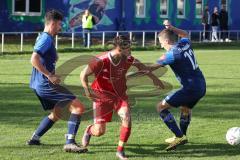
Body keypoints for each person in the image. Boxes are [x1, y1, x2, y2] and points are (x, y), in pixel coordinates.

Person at [80, 35, 163, 160]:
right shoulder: (101, 60)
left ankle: (120, 150)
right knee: (99, 131)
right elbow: (83, 75)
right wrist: (87, 91)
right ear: (119, 49)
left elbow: (143, 68)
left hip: (120, 96)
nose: (130, 51)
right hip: (101, 96)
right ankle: (89, 130)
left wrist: (155, 79)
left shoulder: (128, 59)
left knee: (126, 117)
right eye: (128, 49)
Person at [27, 10, 87, 153]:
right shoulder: (46, 38)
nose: (61, 27)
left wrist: (53, 59)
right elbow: (33, 59)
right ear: (52, 23)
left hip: (38, 84)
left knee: (58, 112)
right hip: (45, 84)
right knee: (78, 107)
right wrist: (49, 75)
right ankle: (70, 143)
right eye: (59, 24)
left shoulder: (43, 37)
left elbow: (42, 57)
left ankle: (35, 138)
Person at [150, 20, 206, 151]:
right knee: (185, 109)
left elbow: (152, 68)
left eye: (161, 42)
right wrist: (172, 27)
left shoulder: (172, 55)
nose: (161, 45)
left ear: (167, 42)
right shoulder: (184, 43)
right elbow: (185, 34)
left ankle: (179, 136)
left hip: (190, 88)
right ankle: (182, 136)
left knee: (160, 107)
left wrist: (136, 67)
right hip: (201, 86)